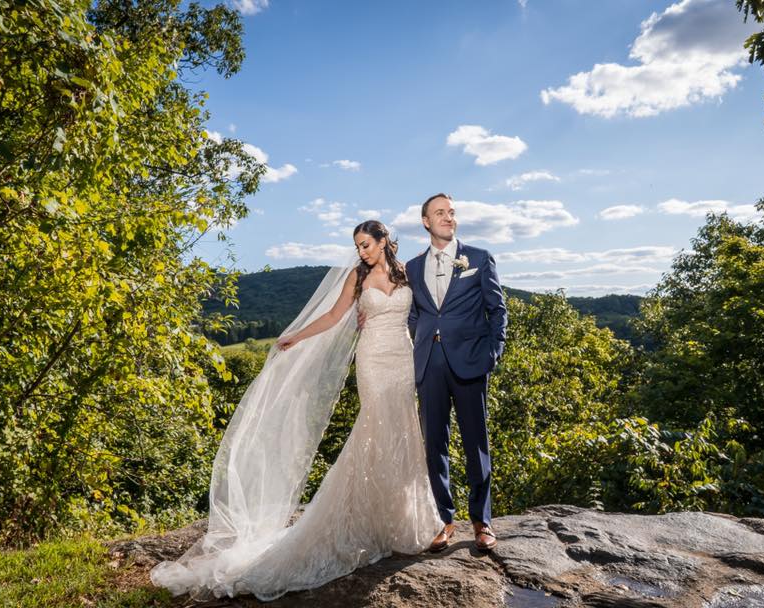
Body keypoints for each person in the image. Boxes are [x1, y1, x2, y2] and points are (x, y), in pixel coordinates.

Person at [150, 220, 441, 602]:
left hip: (402, 360)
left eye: (367, 244)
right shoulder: (356, 277)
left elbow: (424, 313)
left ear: (385, 241)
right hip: (372, 361)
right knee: (373, 429)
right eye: (358, 246)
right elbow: (334, 316)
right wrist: (296, 336)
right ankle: (364, 521)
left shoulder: (407, 274)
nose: (362, 251)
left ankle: (402, 520)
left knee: (403, 432)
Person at [404, 193, 507, 552]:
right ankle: (443, 520)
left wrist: (493, 352)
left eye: (451, 212)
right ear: (426, 222)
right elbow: (416, 312)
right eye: (440, 213)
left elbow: (498, 310)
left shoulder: (478, 257)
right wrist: (421, 338)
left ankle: (482, 522)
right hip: (429, 362)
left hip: (470, 361)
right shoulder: (413, 267)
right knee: (434, 445)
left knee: (476, 444)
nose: (448, 218)